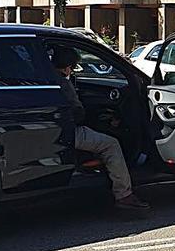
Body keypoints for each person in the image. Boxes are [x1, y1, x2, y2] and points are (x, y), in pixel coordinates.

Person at [52, 46, 150, 211]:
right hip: (67, 132)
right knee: (110, 144)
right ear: (68, 66)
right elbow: (77, 114)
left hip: (54, 129)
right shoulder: (62, 83)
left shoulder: (46, 77)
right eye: (73, 67)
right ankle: (124, 194)